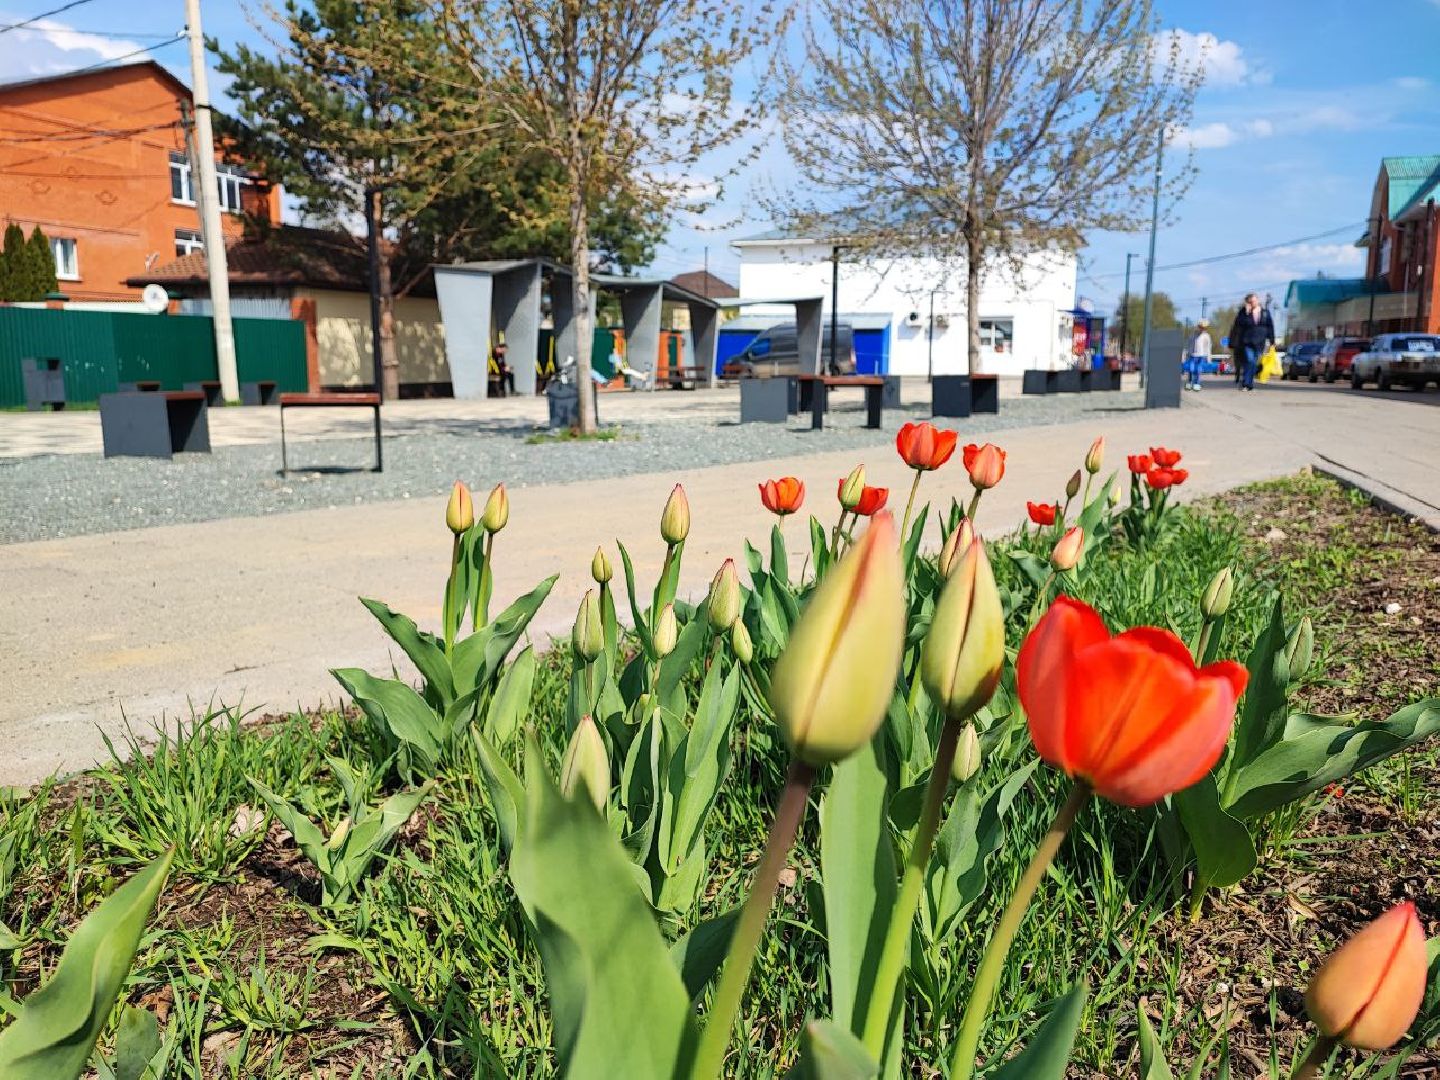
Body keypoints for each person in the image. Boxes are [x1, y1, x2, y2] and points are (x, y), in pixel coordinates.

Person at [1228, 293, 1274, 392]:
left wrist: (1272, 340)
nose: (1252, 303)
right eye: (1250, 302)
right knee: (1249, 361)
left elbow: (1270, 327)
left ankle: (1250, 384)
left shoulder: (1265, 313)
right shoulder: (1243, 313)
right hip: (1247, 342)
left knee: (1254, 363)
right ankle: (1246, 384)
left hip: (1260, 342)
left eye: (1254, 301)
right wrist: (1247, 313)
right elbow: (1238, 324)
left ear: (1257, 300)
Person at [1185, 319, 1211, 391]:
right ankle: (1189, 382)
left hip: (1201, 355)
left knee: (1198, 370)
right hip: (1192, 355)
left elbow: (1208, 347)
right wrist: (1186, 354)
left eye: (1204, 328)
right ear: (1198, 327)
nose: (1202, 329)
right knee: (1191, 369)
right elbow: (1188, 344)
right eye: (1201, 327)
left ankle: (1197, 383)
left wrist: (1209, 358)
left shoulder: (1206, 336)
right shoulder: (1193, 335)